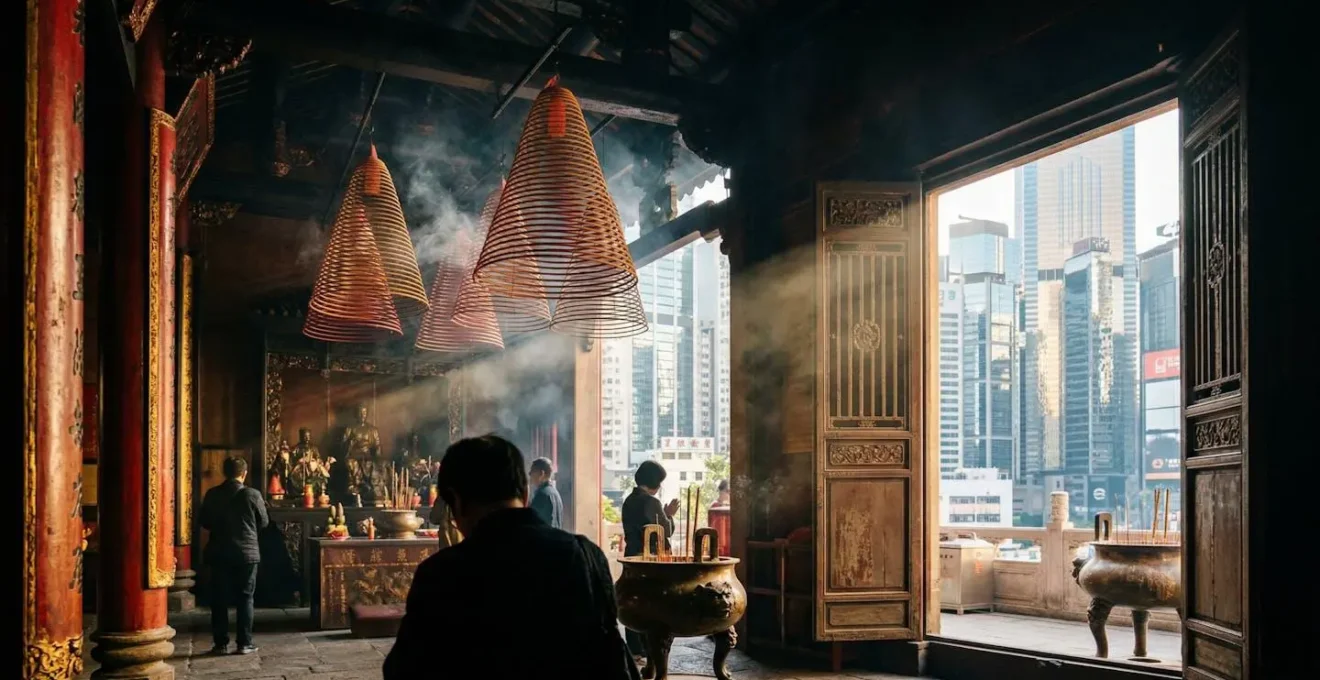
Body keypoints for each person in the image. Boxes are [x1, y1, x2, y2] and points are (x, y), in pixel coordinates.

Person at [384, 435, 639, 680]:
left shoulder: (441, 573)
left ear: (456, 502)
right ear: (525, 494)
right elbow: (613, 661)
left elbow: (405, 670)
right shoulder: (585, 555)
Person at [199, 456, 269, 655]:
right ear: (244, 473)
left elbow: (204, 521)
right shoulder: (252, 494)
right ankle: (244, 643)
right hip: (246, 554)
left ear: (225, 472)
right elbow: (264, 522)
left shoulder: (212, 494)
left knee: (219, 599)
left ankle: (220, 644)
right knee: (245, 597)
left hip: (219, 552)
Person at [620, 460, 679, 663]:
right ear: (655, 482)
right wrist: (669, 515)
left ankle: (635, 648)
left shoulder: (629, 500)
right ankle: (649, 648)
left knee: (632, 600)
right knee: (651, 603)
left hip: (631, 555)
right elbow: (665, 531)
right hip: (650, 559)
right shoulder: (651, 502)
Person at [528, 457, 564, 528]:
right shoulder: (556, 494)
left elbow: (531, 522)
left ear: (542, 474)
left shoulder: (542, 495)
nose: (530, 475)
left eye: (532, 472)